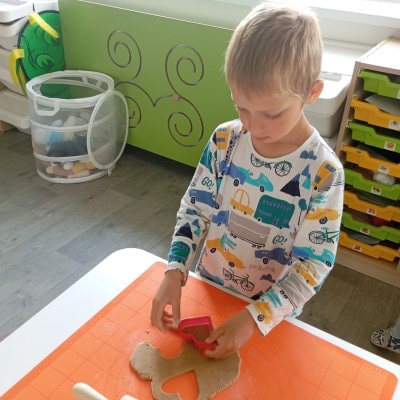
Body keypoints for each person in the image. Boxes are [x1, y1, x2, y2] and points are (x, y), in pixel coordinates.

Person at [151, 1, 344, 359]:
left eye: (271, 113)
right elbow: (196, 209)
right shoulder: (225, 141)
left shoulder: (324, 173)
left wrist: (254, 319)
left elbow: (313, 264)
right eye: (242, 108)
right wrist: (174, 271)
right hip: (211, 287)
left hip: (269, 317)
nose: (253, 126)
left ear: (312, 93)